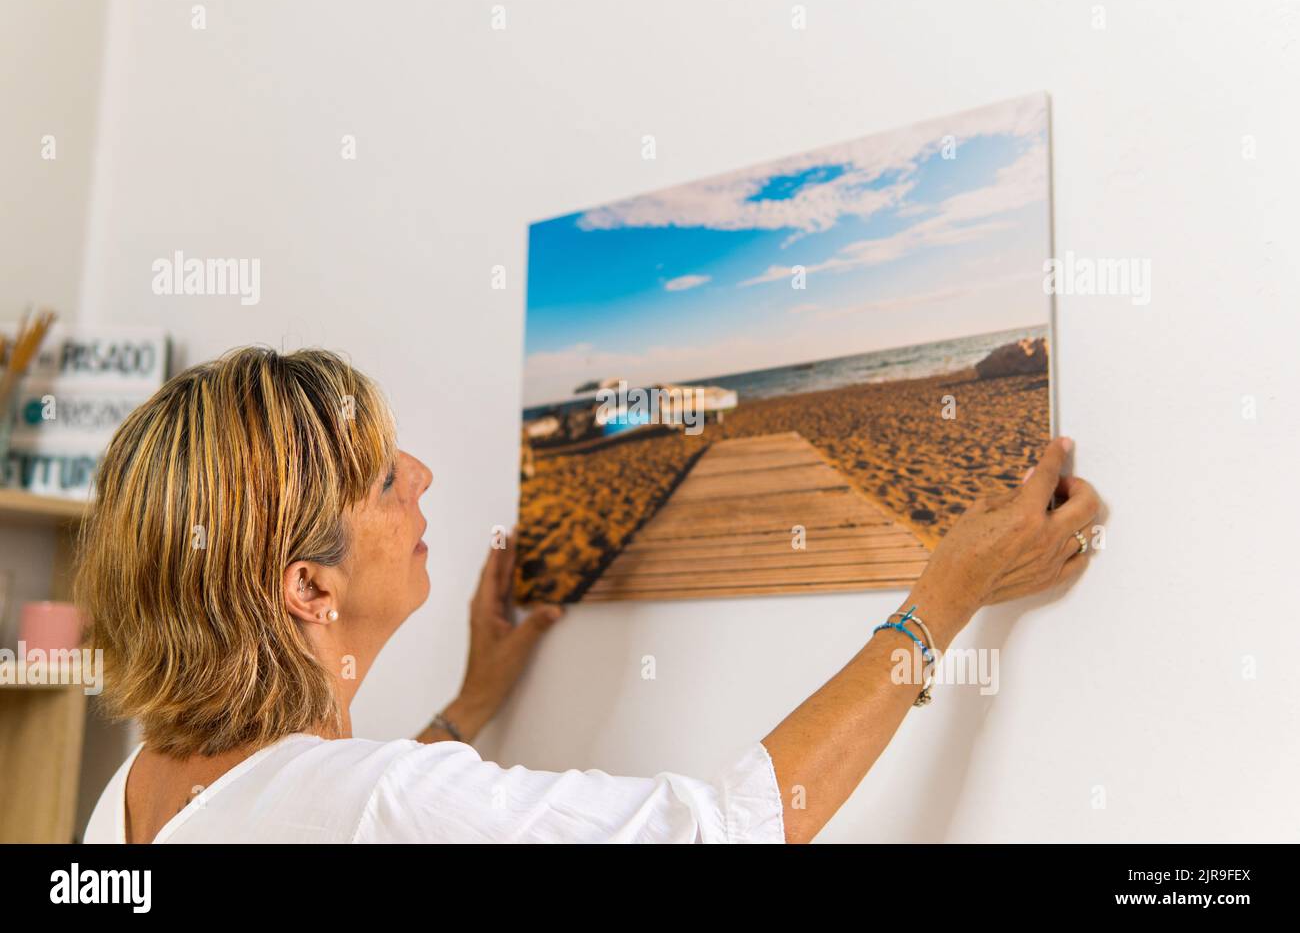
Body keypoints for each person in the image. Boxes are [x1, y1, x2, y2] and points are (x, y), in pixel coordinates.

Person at [81, 347, 1100, 843]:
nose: (424, 474)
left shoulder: (139, 790)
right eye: (384, 476)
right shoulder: (367, 799)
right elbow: (727, 828)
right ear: (307, 585)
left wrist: (471, 703)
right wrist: (943, 596)